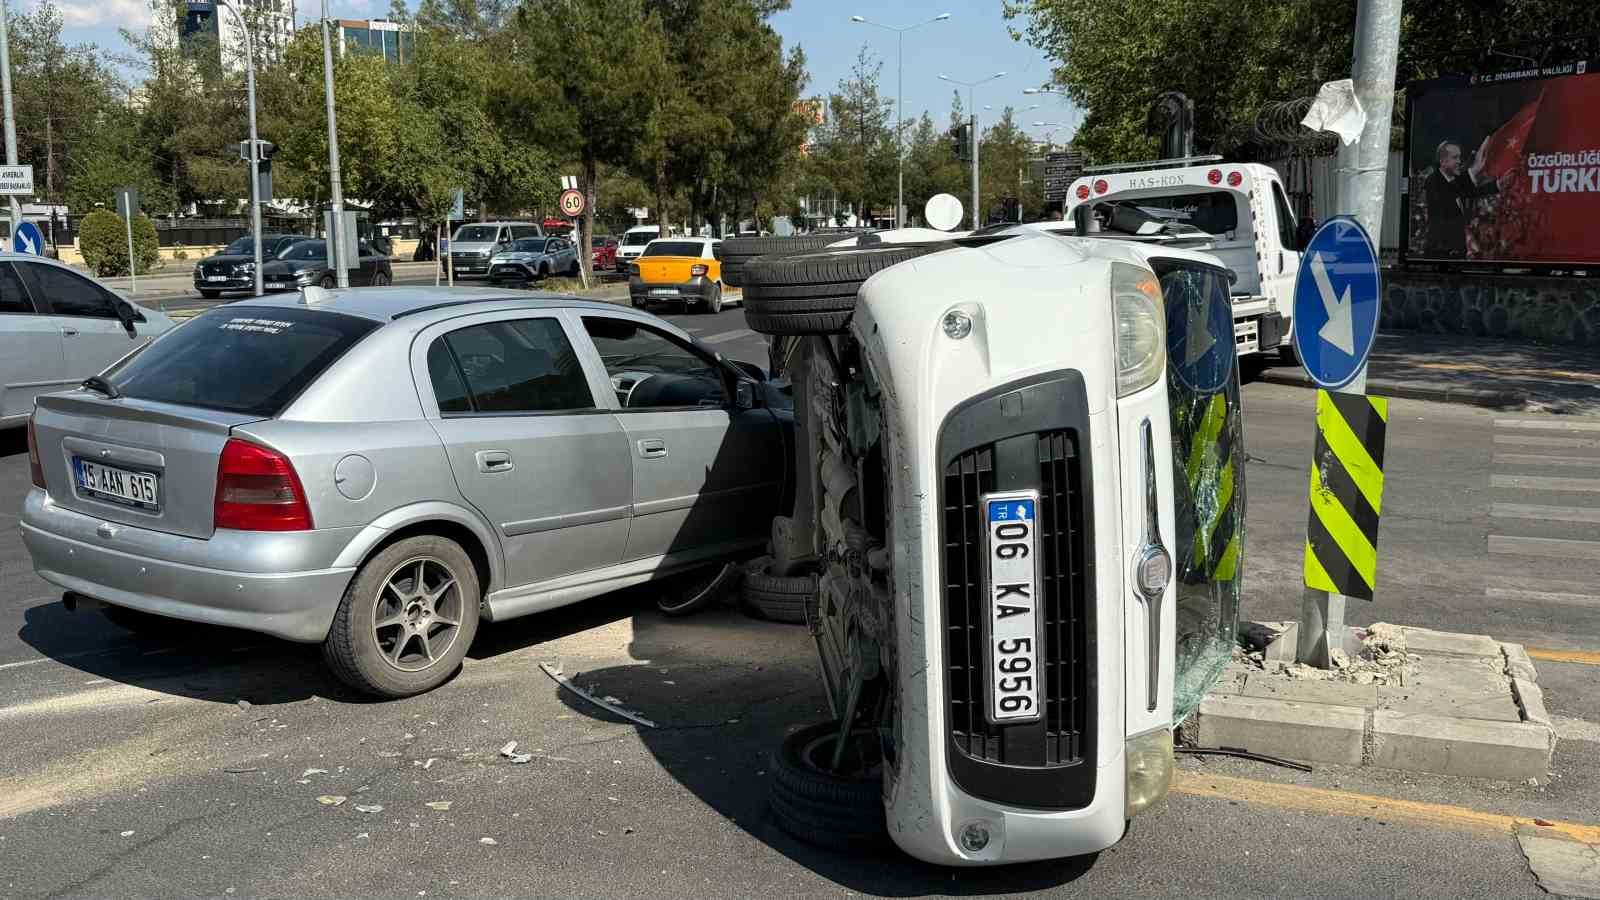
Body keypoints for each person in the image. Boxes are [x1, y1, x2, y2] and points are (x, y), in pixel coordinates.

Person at [1423, 136, 1499, 258]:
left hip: (1456, 250)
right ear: (1443, 161)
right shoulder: (1432, 181)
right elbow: (1447, 196)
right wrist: (1474, 169)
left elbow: (1473, 192)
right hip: (1439, 250)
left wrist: (1498, 184)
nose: (1459, 161)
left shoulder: (1454, 182)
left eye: (1459, 157)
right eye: (1455, 157)